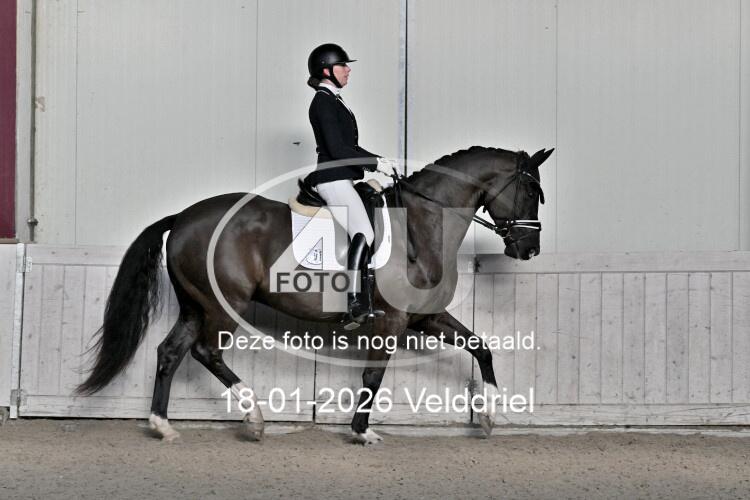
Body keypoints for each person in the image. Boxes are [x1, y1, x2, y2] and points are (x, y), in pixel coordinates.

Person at [304, 42, 396, 327]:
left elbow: (349, 147)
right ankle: (355, 302)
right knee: (364, 232)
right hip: (332, 180)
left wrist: (379, 160)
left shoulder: (333, 100)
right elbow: (337, 149)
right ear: (327, 70)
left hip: (342, 177)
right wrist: (374, 163)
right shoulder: (323, 102)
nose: (348, 70)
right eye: (343, 65)